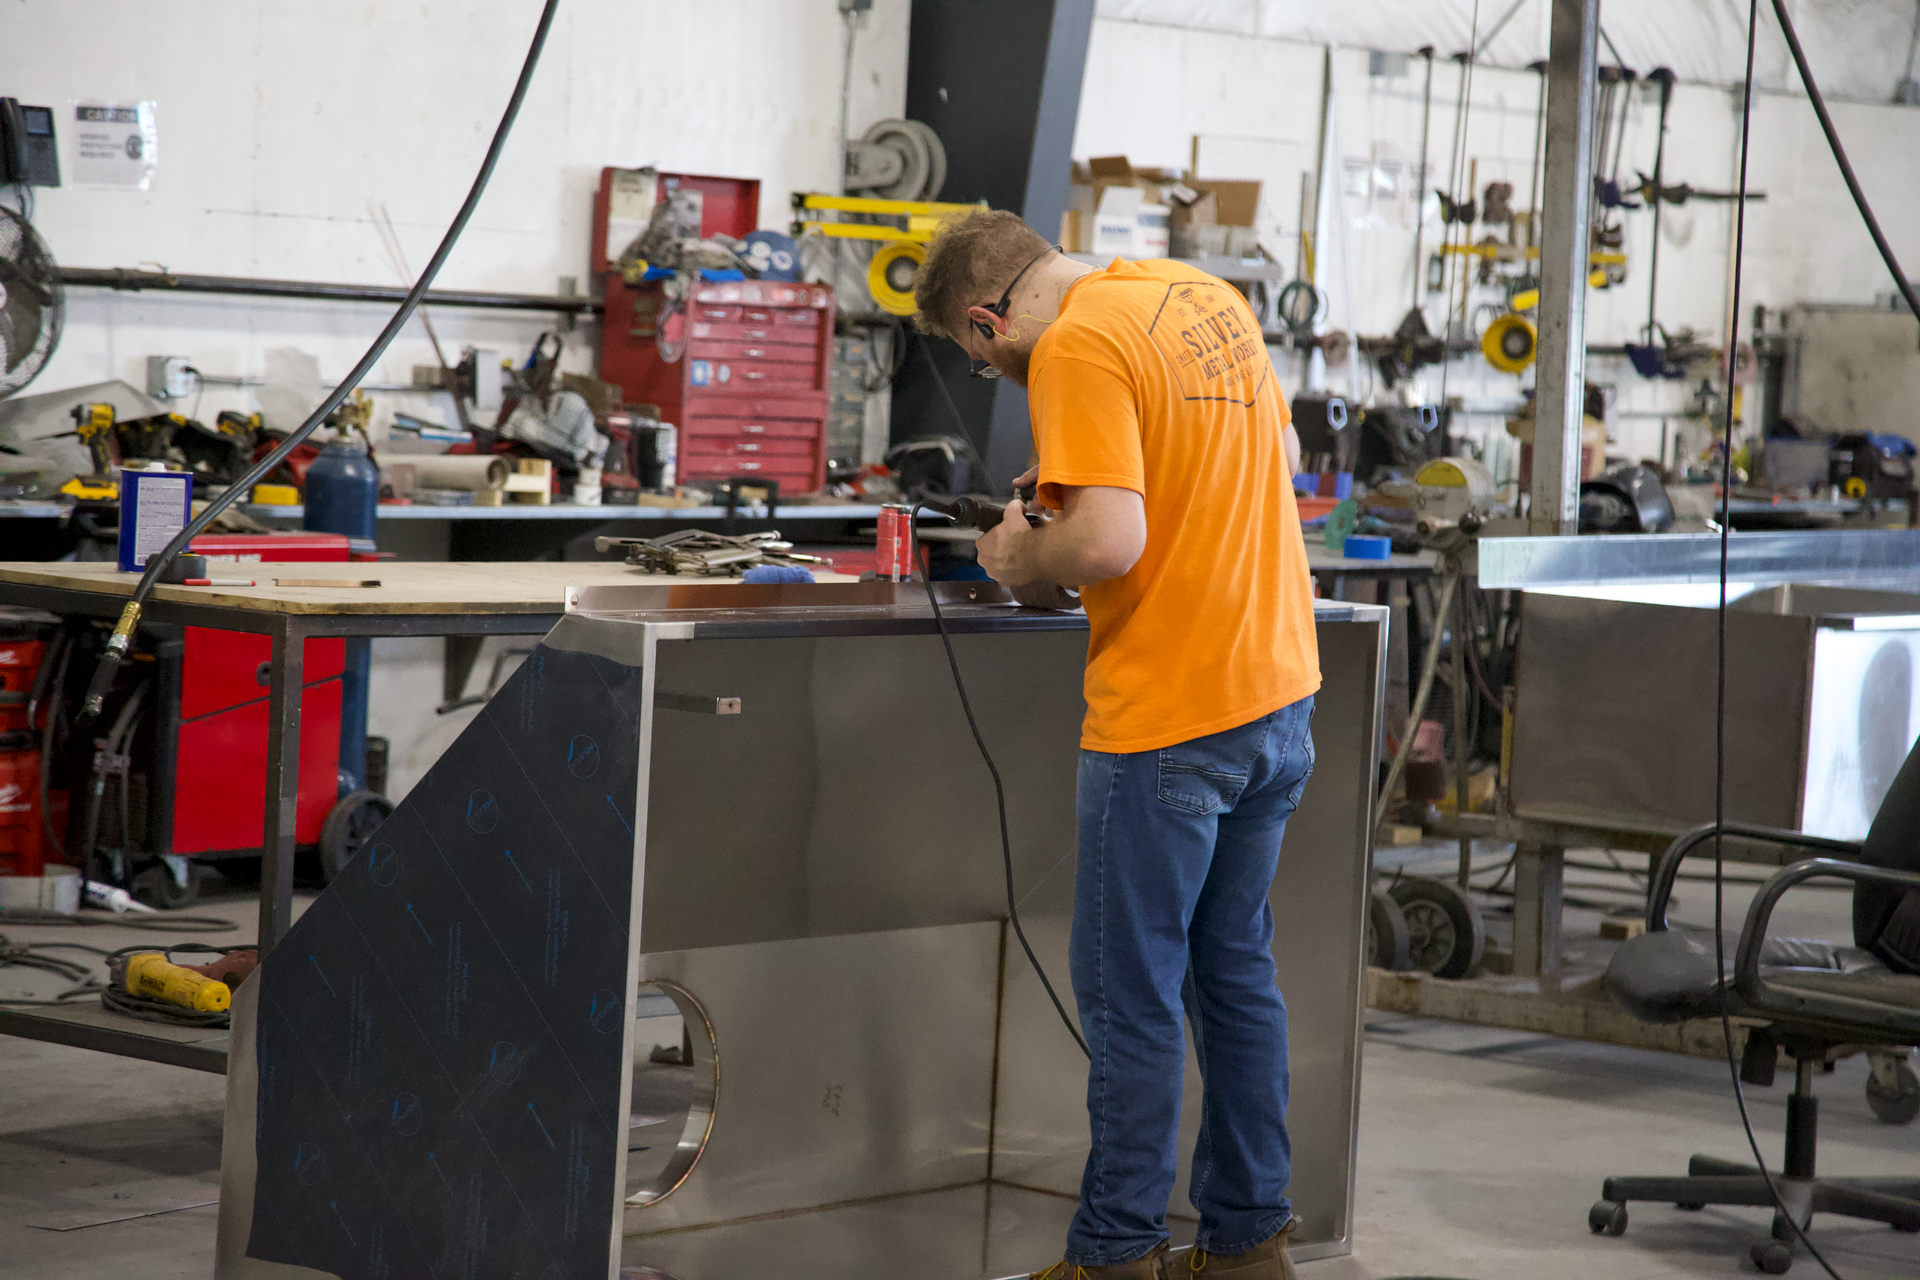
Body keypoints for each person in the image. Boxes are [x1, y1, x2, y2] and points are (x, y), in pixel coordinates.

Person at [911, 209, 1321, 1280]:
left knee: (1133, 993)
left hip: (1171, 720)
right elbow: (1270, 455)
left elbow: (1108, 538)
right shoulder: (1198, 295)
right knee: (1234, 975)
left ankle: (1115, 1254)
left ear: (987, 320)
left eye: (981, 356)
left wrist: (1014, 548)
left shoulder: (1076, 342)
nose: (997, 372)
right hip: (1275, 697)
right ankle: (1247, 1242)